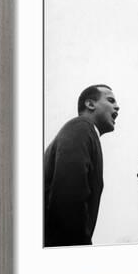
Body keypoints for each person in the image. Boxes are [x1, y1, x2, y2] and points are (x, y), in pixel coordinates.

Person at [44, 84, 119, 247]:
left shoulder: (86, 132)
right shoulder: (81, 128)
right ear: (90, 104)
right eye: (111, 100)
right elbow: (69, 194)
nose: (117, 107)